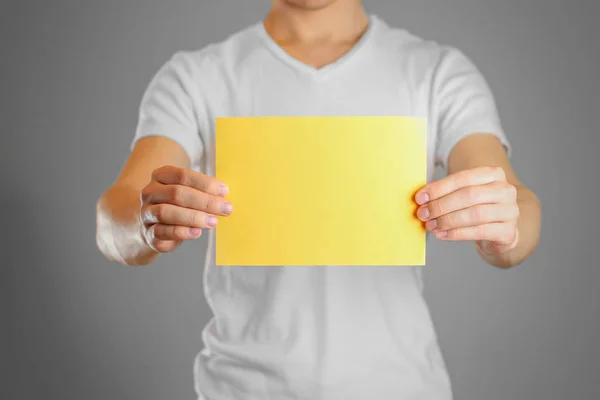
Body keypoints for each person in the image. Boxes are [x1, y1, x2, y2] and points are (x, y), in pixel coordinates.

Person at [96, 0, 542, 399]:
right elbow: (116, 213)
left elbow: (515, 201)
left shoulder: (438, 71)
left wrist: (505, 224)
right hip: (243, 389)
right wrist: (142, 223)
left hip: (401, 388)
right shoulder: (196, 75)